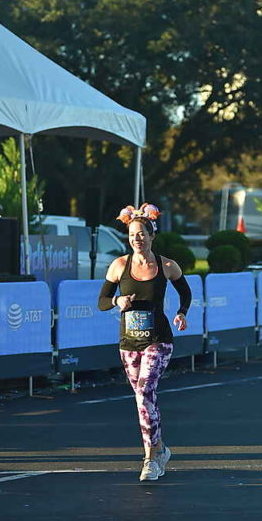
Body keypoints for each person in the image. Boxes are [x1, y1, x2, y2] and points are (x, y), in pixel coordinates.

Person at [98, 203, 192, 482]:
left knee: (144, 391)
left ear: (152, 236)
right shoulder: (119, 266)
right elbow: (102, 301)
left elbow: (185, 293)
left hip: (159, 340)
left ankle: (150, 458)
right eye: (132, 235)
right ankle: (160, 449)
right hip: (129, 342)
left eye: (141, 234)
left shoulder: (166, 265)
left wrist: (181, 313)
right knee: (143, 399)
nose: (137, 239)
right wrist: (117, 300)